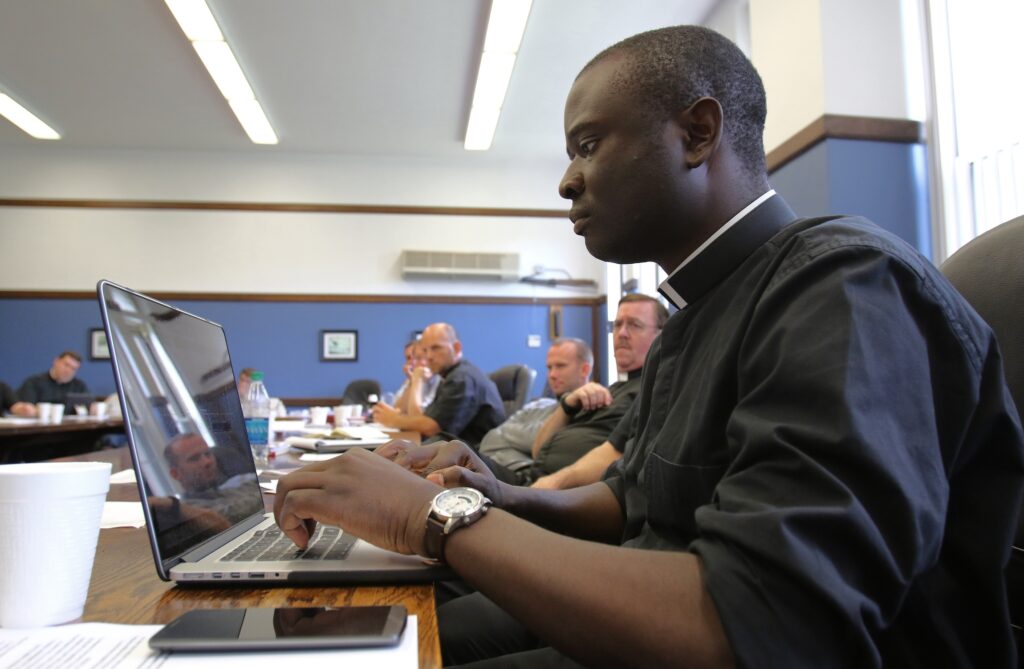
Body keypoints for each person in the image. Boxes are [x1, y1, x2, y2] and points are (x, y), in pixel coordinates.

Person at [274, 25, 1024, 667]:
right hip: (659, 602)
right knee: (372, 636)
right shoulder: (694, 314)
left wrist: (432, 519)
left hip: (723, 637)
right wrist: (499, 494)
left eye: (588, 145)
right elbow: (636, 502)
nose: (567, 180)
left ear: (698, 133)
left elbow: (763, 620)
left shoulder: (844, 287)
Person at [483, 296, 664, 485]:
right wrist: (567, 406)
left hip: (558, 493)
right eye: (617, 325)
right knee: (455, 452)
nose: (622, 333)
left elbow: (618, 457)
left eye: (635, 325)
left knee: (461, 463)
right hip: (536, 480)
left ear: (661, 335)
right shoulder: (608, 392)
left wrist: (553, 484)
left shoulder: (654, 393)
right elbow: (539, 450)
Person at [371, 323, 505, 447]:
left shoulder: (462, 378)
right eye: (425, 350)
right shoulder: (450, 376)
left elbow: (432, 428)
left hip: (475, 462)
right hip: (458, 456)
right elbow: (425, 418)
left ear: (456, 348)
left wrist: (393, 419)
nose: (428, 356)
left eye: (436, 348)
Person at [478, 337, 593, 476]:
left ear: (585, 370)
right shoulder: (539, 405)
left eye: (561, 366)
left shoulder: (592, 412)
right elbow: (490, 439)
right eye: (549, 367)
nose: (552, 375)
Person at [15, 351, 89, 416]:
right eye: (66, 365)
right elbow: (28, 409)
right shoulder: (33, 382)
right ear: (56, 361)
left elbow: (86, 407)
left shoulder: (79, 385)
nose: (68, 371)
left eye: (73, 369)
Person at [393, 339, 440, 415]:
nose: (413, 363)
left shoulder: (440, 380)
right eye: (409, 358)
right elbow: (398, 409)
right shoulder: (412, 379)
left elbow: (419, 416)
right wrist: (412, 382)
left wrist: (416, 381)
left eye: (419, 358)